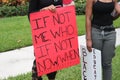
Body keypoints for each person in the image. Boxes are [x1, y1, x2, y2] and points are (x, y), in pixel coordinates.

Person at [28, 0, 74, 80]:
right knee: (40, 59)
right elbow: (30, 14)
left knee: (53, 61)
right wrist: (43, 10)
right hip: (42, 34)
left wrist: (69, 7)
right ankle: (36, 76)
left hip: (56, 32)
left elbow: (65, 5)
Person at [85, 0, 120, 80]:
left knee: (107, 64)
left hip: (110, 32)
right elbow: (88, 18)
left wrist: (114, 16)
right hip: (96, 32)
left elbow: (118, 11)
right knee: (95, 62)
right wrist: (88, 39)